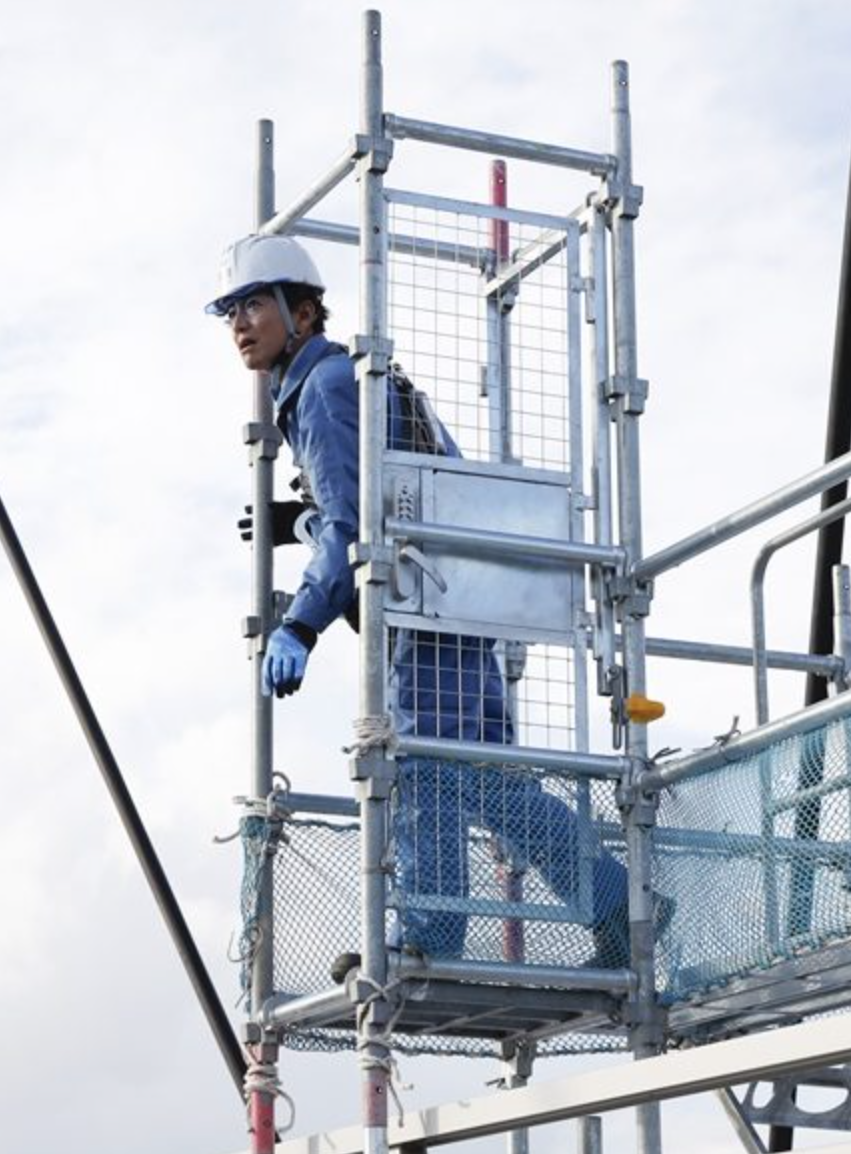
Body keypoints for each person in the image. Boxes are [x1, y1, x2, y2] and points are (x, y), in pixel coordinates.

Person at [208, 234, 637, 969]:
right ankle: (618, 905)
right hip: (462, 593)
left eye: (253, 304)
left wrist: (300, 624)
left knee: (423, 765)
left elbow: (356, 528)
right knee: (486, 781)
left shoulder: (324, 388)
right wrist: (302, 520)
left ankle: (427, 940)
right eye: (230, 312)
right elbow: (369, 504)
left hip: (428, 603)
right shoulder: (347, 379)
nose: (240, 323)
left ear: (302, 313)